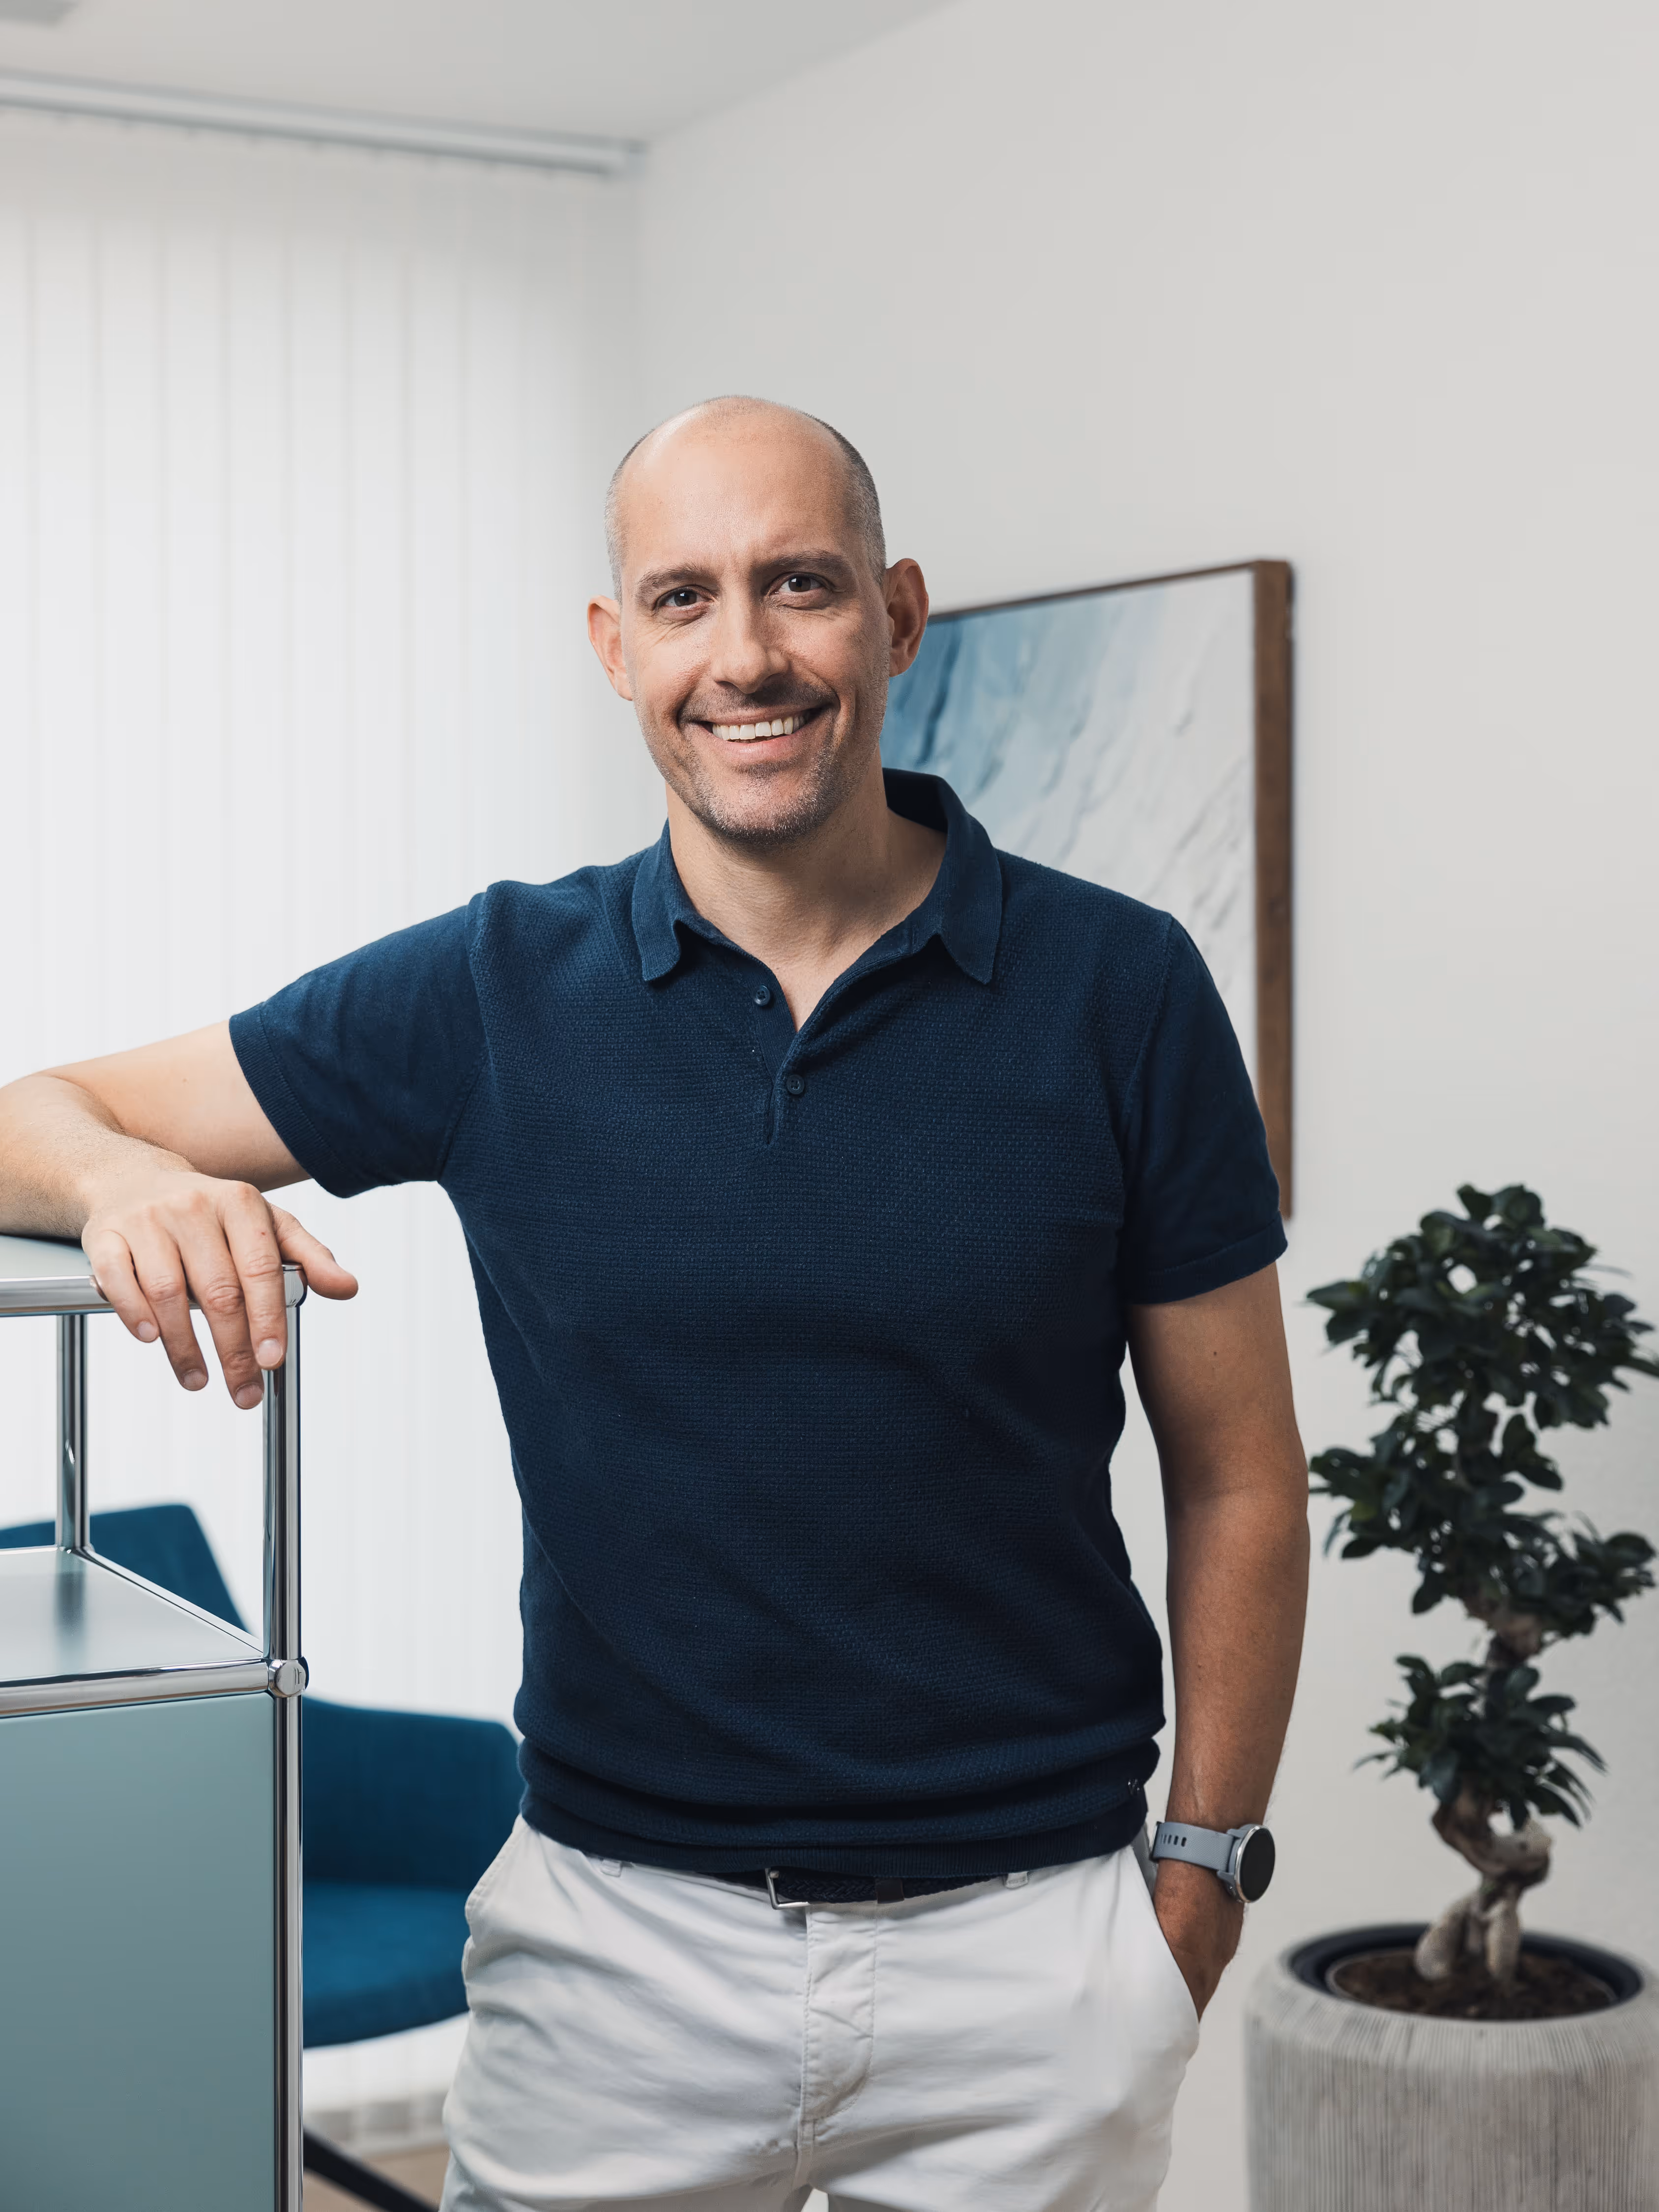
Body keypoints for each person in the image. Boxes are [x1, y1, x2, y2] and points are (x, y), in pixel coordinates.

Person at [0, 396, 1310, 2212]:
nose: (747, 653)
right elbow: (25, 1119)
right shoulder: (489, 987)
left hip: (1040, 1959)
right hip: (615, 1960)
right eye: (683, 598)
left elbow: (1240, 1472)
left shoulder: (1120, 988)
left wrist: (1197, 1880)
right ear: (616, 648)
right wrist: (129, 1179)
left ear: (897, 614)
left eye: (800, 585)